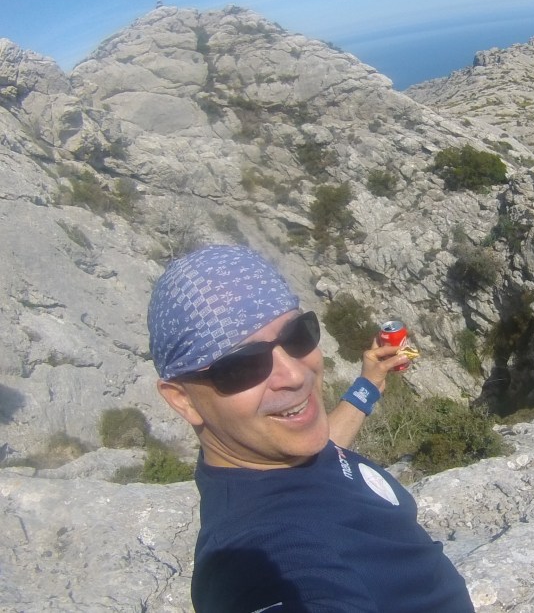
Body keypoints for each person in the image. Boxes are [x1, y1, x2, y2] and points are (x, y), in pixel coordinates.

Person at [147, 244, 475, 612]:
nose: (294, 374)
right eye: (242, 366)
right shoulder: (261, 555)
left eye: (296, 336)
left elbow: (324, 451)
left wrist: (369, 383)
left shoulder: (272, 454)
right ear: (183, 399)